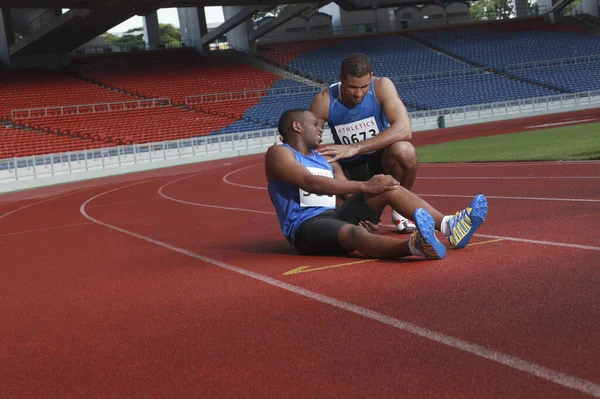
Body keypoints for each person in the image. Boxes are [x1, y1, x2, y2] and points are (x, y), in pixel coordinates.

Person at [265, 109, 488, 260]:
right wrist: (365, 186)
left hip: (334, 215)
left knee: (386, 188)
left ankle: (450, 226)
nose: (320, 128)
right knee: (353, 233)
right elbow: (310, 182)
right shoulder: (279, 153)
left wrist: (361, 211)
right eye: (314, 124)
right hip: (305, 227)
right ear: (296, 126)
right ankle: (416, 245)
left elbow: (344, 195)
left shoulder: (325, 158)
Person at [309, 52, 418, 233]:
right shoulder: (324, 101)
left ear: (372, 77)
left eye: (364, 86)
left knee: (405, 151)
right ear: (341, 79)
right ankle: (358, 210)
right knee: (323, 160)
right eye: (352, 87)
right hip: (348, 170)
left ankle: (401, 210)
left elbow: (404, 129)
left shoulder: (382, 86)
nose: (359, 94)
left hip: (381, 160)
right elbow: (307, 145)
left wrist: (355, 147)